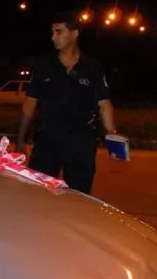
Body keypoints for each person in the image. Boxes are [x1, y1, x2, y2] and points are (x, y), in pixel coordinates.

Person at [15, 11, 118, 194]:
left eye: (58, 32)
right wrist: (21, 140)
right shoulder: (43, 66)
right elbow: (29, 103)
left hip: (82, 143)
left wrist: (112, 135)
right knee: (38, 195)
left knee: (79, 197)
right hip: (47, 141)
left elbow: (104, 103)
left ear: (74, 33)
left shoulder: (93, 67)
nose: (53, 37)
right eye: (52, 32)